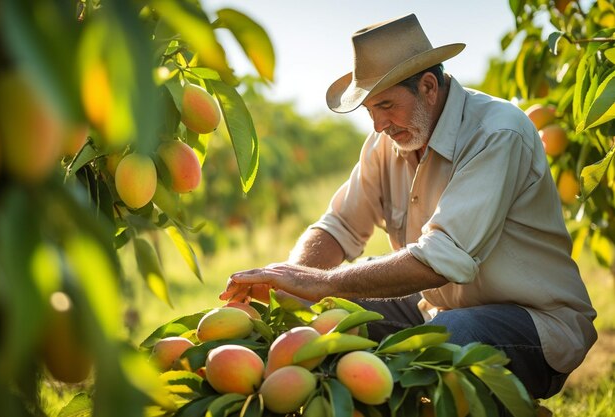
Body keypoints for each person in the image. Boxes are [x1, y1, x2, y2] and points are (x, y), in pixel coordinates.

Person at [219, 13, 597, 401]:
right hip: (439, 308)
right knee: (340, 310)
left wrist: (320, 283)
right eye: (370, 111)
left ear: (429, 87)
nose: (379, 124)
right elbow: (338, 226)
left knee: (445, 340)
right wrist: (294, 281)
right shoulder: (388, 144)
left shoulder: (497, 133)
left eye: (386, 105)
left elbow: (440, 259)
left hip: (535, 324)